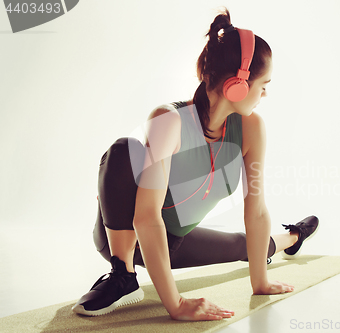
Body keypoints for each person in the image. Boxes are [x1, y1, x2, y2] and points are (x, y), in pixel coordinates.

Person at [72, 8, 319, 321]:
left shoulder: (252, 129)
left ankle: (295, 235)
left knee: (242, 245)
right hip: (127, 235)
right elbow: (147, 218)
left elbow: (255, 211)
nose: (265, 93)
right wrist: (175, 304)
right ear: (239, 85)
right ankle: (123, 275)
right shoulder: (168, 121)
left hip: (172, 240)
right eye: (263, 84)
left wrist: (260, 282)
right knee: (123, 150)